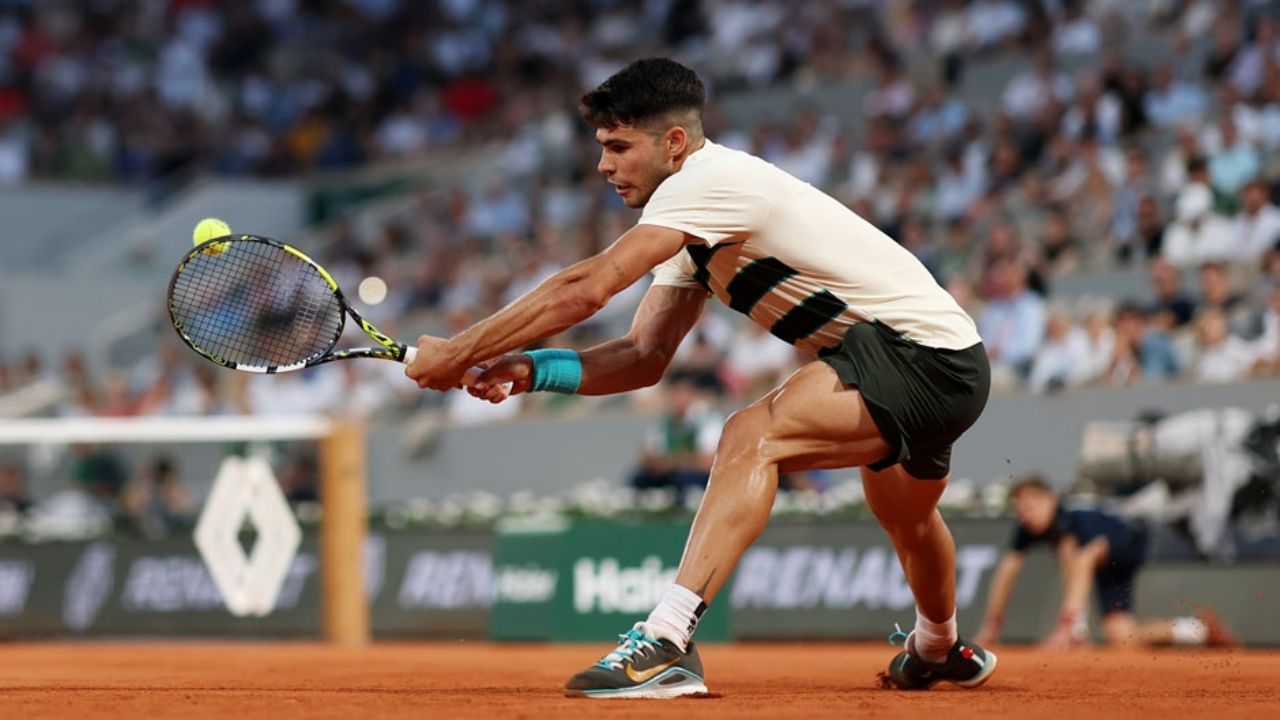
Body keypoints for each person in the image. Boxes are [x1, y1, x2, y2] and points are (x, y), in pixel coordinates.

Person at [406, 58, 994, 697]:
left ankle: (667, 641)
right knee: (908, 521)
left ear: (675, 143)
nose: (603, 165)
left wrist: (459, 351)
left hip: (920, 356)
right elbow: (643, 356)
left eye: (618, 146)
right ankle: (938, 645)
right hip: (940, 360)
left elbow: (587, 288)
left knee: (751, 433)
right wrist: (529, 370)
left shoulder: (709, 182)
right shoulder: (694, 222)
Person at [974, 475, 1236, 649]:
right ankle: (1198, 629)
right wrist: (991, 624)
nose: (1026, 514)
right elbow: (1008, 570)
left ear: (1051, 499)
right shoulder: (1027, 528)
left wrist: (1068, 625)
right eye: (1020, 509)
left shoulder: (1071, 517)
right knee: (1122, 636)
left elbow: (1079, 560)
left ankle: (1072, 629)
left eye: (1031, 506)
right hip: (1106, 566)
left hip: (1127, 540)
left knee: (1078, 553)